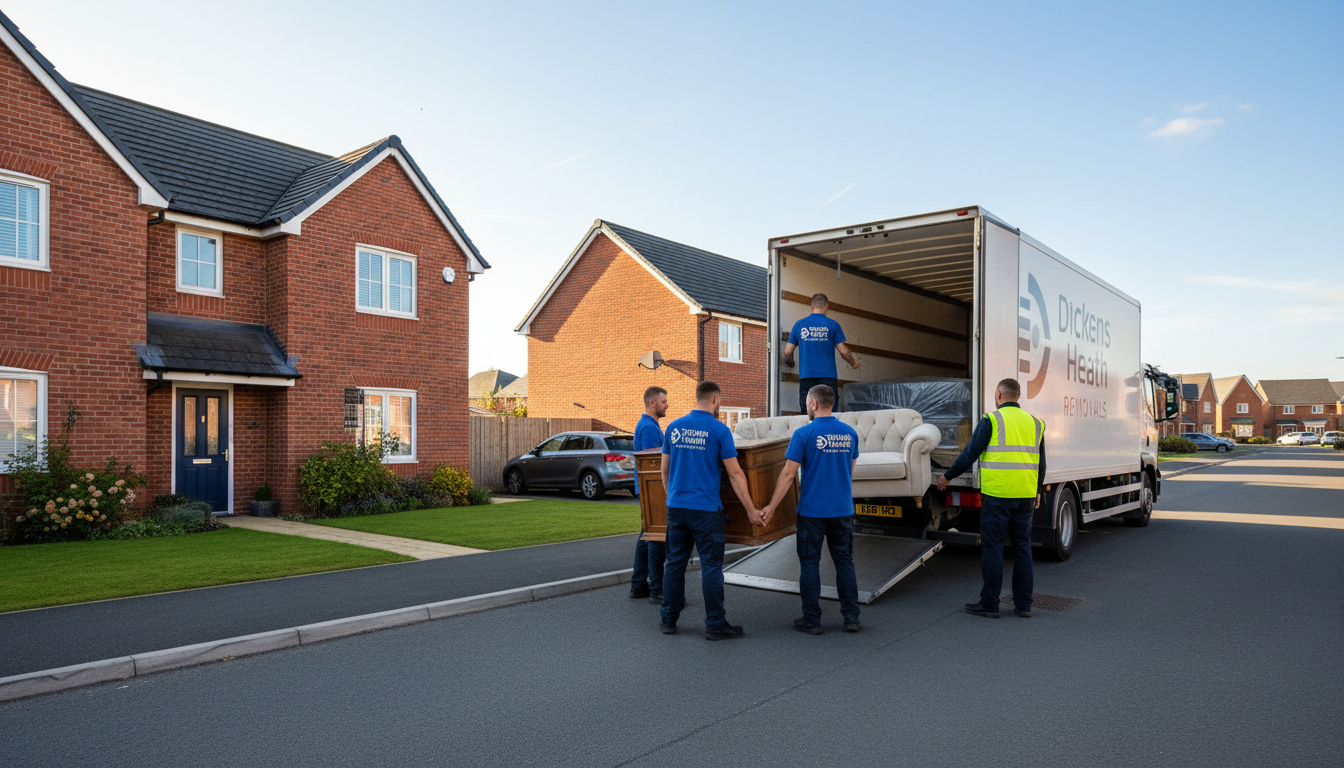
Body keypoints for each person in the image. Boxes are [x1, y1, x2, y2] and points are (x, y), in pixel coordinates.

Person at [935, 378, 1046, 619]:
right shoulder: (1036, 423)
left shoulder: (991, 420)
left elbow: (969, 454)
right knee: (1023, 550)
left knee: (994, 549)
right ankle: (1024, 605)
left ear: (998, 395)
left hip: (997, 496)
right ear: (1018, 397)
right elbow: (1041, 462)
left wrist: (947, 476)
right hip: (1025, 496)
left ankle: (990, 604)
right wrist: (1037, 490)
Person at [659, 380, 763, 641]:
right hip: (706, 510)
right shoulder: (719, 430)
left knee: (674, 564)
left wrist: (672, 497)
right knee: (711, 567)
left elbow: (664, 470)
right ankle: (715, 624)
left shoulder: (674, 427)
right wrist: (751, 510)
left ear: (698, 398)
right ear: (715, 400)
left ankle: (668, 619)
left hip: (677, 509)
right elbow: (736, 473)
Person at [761, 384, 861, 634]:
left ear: (814, 404)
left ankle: (812, 620)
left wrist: (772, 507)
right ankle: (851, 617)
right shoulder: (850, 433)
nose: (807, 407)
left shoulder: (804, 434)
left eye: (807, 403)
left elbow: (788, 474)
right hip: (842, 509)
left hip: (812, 512)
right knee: (845, 562)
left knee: (809, 564)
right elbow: (851, 472)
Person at [783, 293, 860, 415]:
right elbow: (844, 351)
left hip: (806, 376)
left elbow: (788, 352)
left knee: (808, 412)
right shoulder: (833, 325)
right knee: (829, 412)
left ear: (812, 306)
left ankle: (810, 433)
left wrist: (791, 363)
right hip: (827, 376)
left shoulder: (799, 325)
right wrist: (854, 363)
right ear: (826, 306)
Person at [629, 386, 667, 603]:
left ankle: (638, 585)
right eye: (663, 401)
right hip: (651, 492)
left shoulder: (648, 425)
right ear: (652, 403)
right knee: (655, 538)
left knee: (646, 537)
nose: (666, 405)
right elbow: (655, 466)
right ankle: (657, 590)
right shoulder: (649, 429)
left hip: (645, 491)